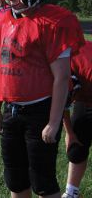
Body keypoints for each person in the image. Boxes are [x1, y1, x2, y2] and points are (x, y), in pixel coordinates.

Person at [0, 0, 85, 198]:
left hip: (39, 111)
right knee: (15, 180)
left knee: (42, 181)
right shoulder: (1, 21)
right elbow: (0, 70)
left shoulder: (53, 22)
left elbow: (61, 78)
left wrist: (53, 122)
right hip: (11, 110)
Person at [61, 41, 92, 198]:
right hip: (84, 93)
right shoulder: (60, 64)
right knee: (76, 146)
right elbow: (62, 105)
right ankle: (71, 192)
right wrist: (69, 133)